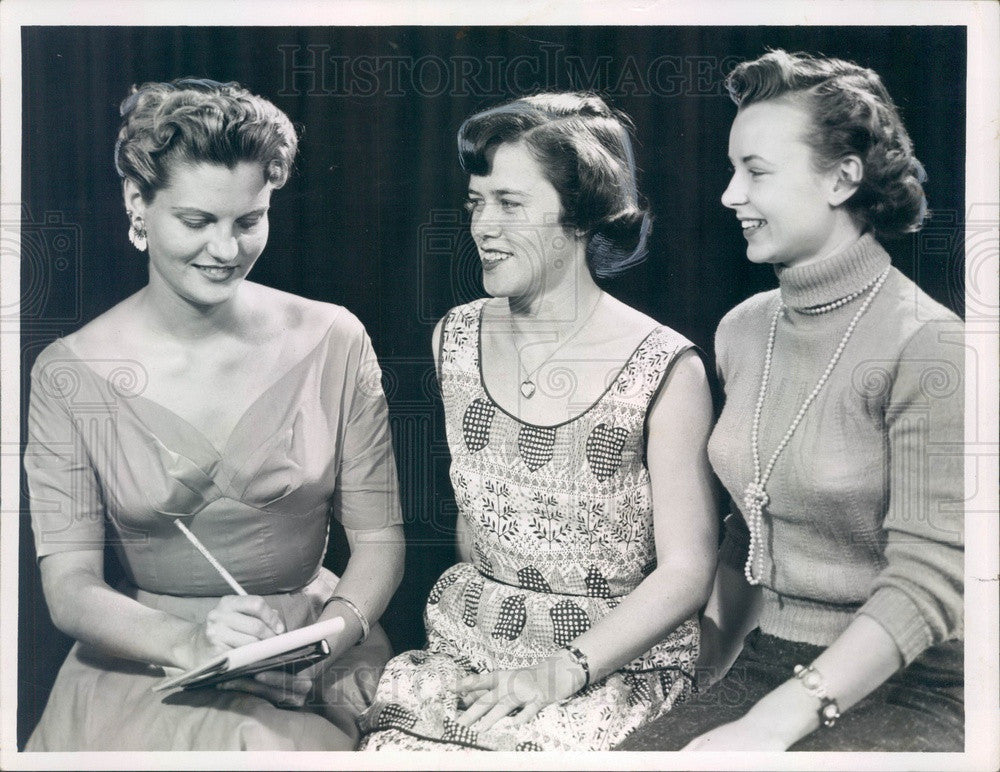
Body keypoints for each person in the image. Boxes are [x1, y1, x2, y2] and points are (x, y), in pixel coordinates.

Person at [24, 79, 404, 751]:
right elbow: (71, 587)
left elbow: (379, 543)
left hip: (315, 648)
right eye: (197, 222)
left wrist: (329, 640)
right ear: (137, 204)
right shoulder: (66, 374)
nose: (225, 250)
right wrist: (190, 641)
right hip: (145, 660)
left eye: (248, 221)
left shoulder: (336, 339)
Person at [618, 50, 964, 752]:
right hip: (771, 661)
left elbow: (927, 586)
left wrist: (766, 726)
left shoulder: (933, 346)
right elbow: (752, 530)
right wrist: (705, 684)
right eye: (731, 169)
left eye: (756, 172)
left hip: (913, 684)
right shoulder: (743, 329)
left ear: (842, 178)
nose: (729, 195)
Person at [359, 93, 719, 751]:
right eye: (477, 203)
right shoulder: (454, 339)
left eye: (510, 204)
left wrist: (564, 667)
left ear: (581, 215)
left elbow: (688, 572)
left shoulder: (665, 367)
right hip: (469, 654)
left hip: (608, 668)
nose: (483, 226)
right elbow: (477, 532)